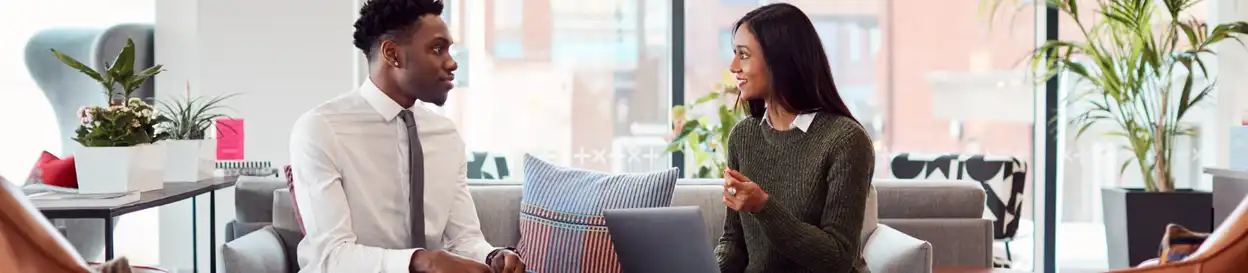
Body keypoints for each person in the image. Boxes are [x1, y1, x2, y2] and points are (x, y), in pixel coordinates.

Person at [288, 0, 525, 272]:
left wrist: (491, 256)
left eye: (450, 49)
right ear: (392, 54)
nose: (452, 63)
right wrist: (424, 261)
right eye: (438, 49)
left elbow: (464, 238)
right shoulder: (321, 129)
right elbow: (330, 256)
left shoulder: (445, 135)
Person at [715, 3, 876, 273]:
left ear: (779, 60)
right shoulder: (743, 137)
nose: (733, 66)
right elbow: (734, 241)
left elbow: (838, 257)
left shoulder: (846, 140)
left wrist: (763, 207)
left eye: (743, 55)